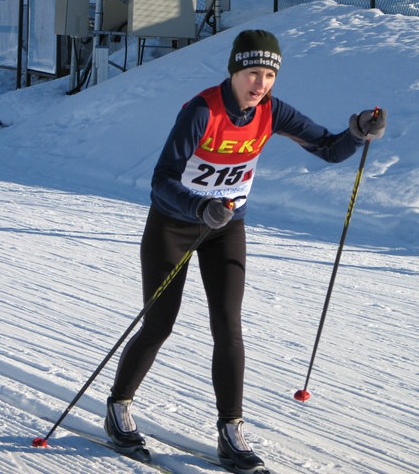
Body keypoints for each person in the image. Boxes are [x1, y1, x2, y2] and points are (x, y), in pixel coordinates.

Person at [104, 30, 387, 474]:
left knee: (228, 327)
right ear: (234, 70)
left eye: (269, 75)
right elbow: (162, 180)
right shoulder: (202, 111)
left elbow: (329, 149)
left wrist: (356, 132)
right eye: (253, 73)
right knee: (159, 324)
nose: (261, 84)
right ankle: (119, 407)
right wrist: (199, 206)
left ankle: (230, 432)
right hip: (173, 226)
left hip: (226, 229)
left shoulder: (272, 111)